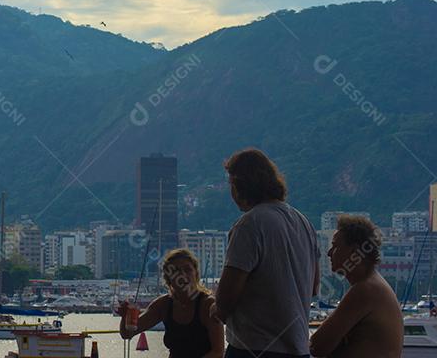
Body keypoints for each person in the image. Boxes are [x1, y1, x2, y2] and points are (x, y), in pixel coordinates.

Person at [213, 148, 319, 358]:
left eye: (231, 184)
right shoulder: (304, 222)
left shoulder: (249, 224)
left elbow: (226, 299)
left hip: (253, 348)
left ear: (240, 186)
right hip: (298, 349)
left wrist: (215, 308)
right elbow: (314, 287)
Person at [310, 215, 403, 357]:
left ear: (353, 251)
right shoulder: (374, 285)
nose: (329, 253)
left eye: (335, 246)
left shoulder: (365, 290)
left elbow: (317, 346)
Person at [118, 248, 225, 358]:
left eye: (187, 269)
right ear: (168, 279)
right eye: (176, 271)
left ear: (196, 274)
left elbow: (218, 352)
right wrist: (125, 316)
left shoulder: (207, 305)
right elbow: (127, 333)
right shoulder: (163, 305)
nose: (182, 275)